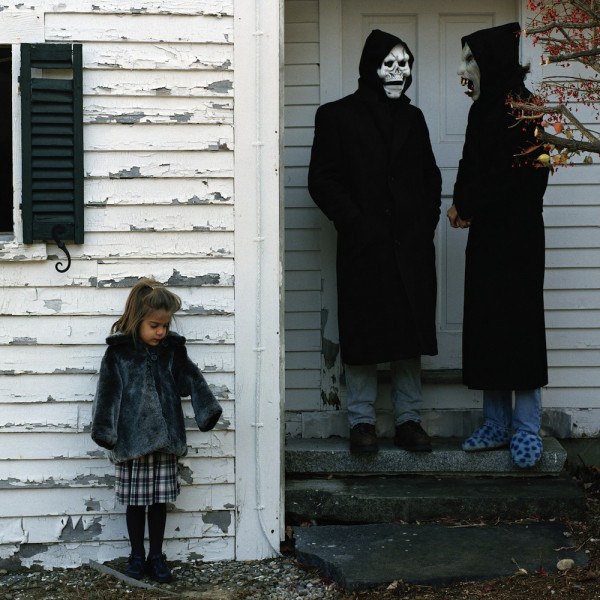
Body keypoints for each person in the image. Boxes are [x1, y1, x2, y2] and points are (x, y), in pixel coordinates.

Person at [308, 29, 441, 454]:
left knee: (408, 333)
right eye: (390, 63)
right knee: (363, 332)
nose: (399, 71)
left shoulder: (414, 119)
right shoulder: (336, 116)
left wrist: (424, 224)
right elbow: (322, 180)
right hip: (364, 247)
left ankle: (409, 420)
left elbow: (430, 178)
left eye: (405, 64)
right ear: (371, 66)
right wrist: (356, 223)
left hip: (410, 248)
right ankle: (361, 421)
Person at [447, 22, 550, 468]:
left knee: (520, 326)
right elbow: (471, 164)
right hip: (488, 236)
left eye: (471, 59)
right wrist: (459, 202)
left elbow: (525, 179)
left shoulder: (527, 109)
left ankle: (526, 427)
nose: (463, 69)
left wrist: (470, 204)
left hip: (520, 237)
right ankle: (494, 423)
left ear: (493, 61)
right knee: (488, 323)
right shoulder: (480, 112)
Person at [91, 278, 222, 581]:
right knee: (136, 504)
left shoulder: (171, 351)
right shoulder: (119, 353)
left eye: (164, 325)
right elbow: (107, 393)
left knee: (159, 503)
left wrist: (207, 410)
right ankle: (136, 555)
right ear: (137, 320)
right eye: (154, 326)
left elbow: (191, 380)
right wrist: (105, 431)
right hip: (132, 443)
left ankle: (157, 556)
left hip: (165, 440)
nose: (161, 332)